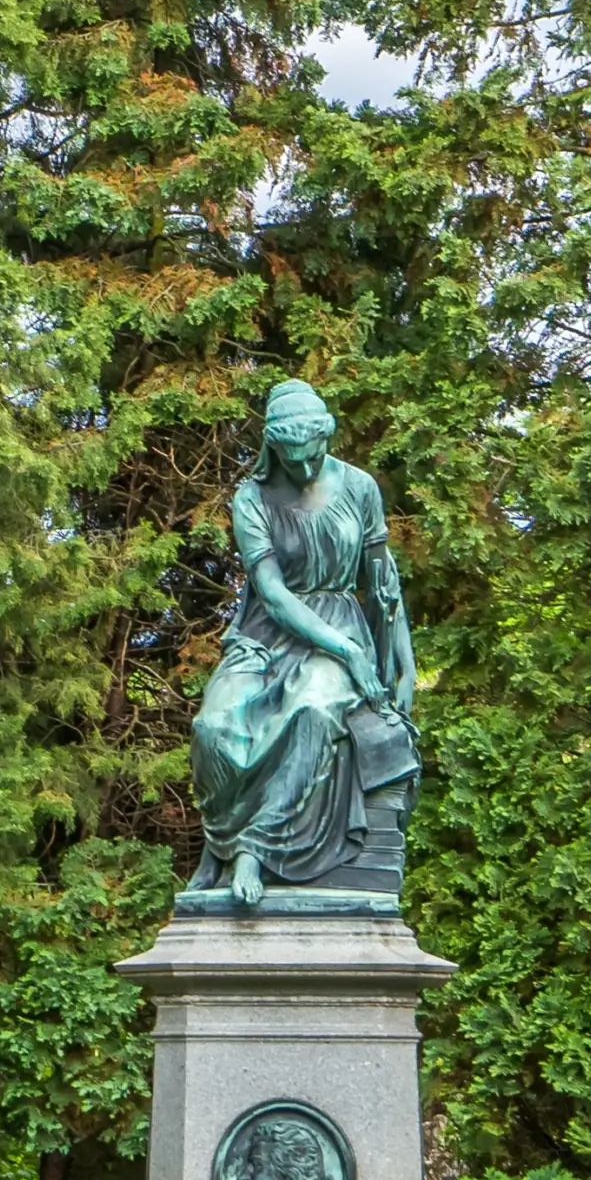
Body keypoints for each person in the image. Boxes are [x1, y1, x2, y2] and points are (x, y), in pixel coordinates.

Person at [185, 382, 417, 910]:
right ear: (272, 449)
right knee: (214, 726)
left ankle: (254, 848)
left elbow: (384, 584)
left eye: (315, 456)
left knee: (312, 708)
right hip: (268, 634)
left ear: (325, 440)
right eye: (294, 461)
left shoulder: (358, 487)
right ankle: (220, 846)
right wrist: (349, 651)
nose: (308, 469)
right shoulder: (252, 498)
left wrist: (403, 662)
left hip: (339, 621)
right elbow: (271, 592)